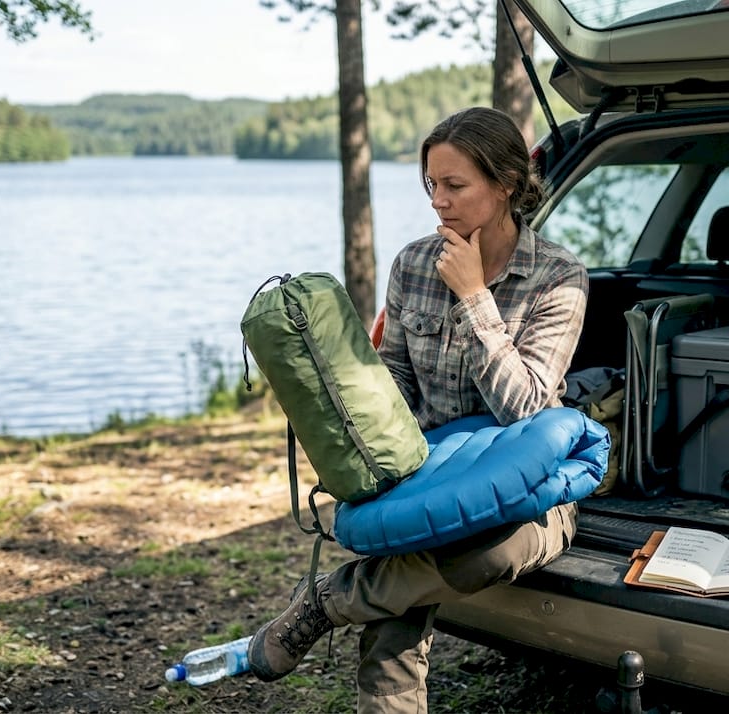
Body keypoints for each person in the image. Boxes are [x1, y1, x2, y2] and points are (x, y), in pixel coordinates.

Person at [247, 106, 590, 713]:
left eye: (455, 185)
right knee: (395, 607)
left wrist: (474, 298)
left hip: (530, 485)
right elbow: (396, 381)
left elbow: (529, 410)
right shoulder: (412, 264)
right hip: (431, 472)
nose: (439, 201)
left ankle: (328, 601)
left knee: (487, 552)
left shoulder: (559, 278)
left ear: (506, 183)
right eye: (432, 184)